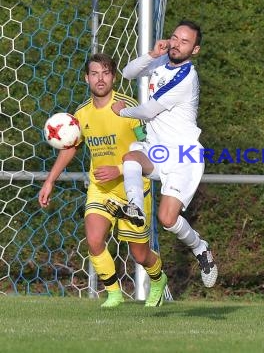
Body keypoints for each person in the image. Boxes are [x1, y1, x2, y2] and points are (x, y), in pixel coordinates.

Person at [39, 53, 167, 307]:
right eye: (95, 73)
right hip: (101, 189)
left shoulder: (128, 108)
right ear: (87, 78)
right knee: (95, 239)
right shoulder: (82, 114)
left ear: (114, 77)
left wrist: (120, 169)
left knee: (140, 255)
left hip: (134, 191)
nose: (100, 78)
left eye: (105, 73)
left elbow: (149, 150)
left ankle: (158, 279)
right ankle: (114, 293)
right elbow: (71, 146)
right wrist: (50, 180)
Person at [105, 19, 218, 288]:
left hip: (183, 155)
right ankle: (134, 207)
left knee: (168, 219)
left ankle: (201, 248)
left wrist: (122, 111)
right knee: (131, 157)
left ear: (195, 50)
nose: (177, 44)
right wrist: (152, 55)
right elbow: (128, 72)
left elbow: (148, 111)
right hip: (157, 151)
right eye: (175, 37)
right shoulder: (162, 60)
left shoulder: (186, 77)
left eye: (185, 41)